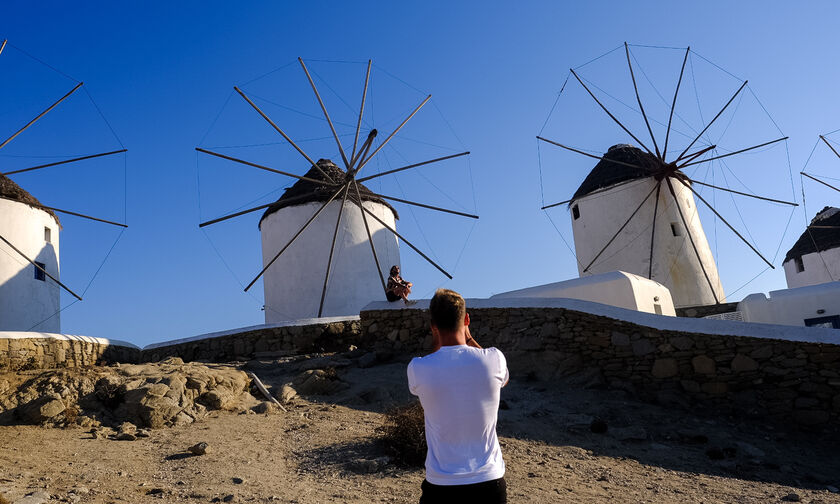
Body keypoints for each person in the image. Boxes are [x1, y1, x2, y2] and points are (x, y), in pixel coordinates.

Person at [407, 288, 509, 503]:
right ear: (467, 319)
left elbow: (436, 361)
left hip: (442, 483)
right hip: (489, 481)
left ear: (433, 326)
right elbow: (504, 380)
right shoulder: (494, 359)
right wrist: (469, 338)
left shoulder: (418, 368)